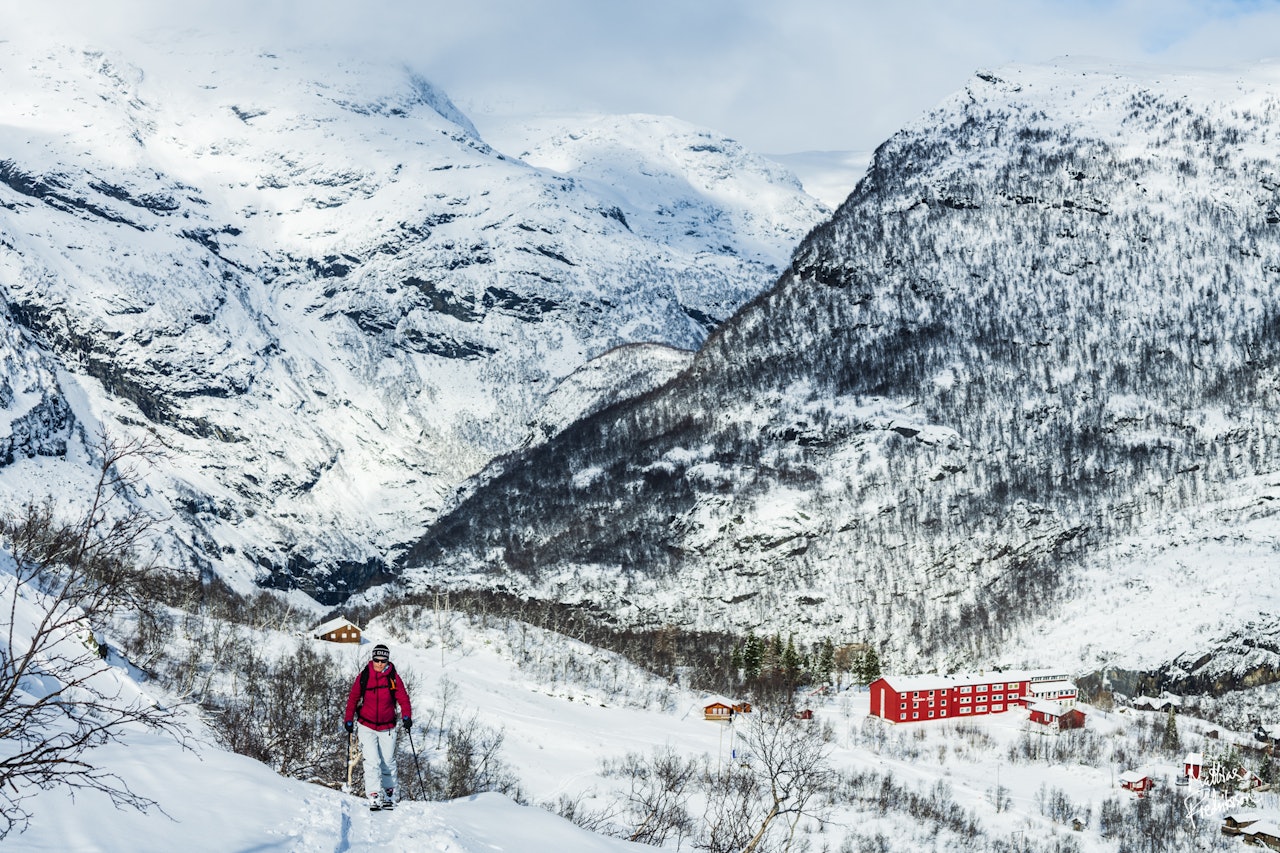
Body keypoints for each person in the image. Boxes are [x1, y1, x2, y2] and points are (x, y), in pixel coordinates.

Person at [343, 643, 412, 810]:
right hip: (366, 725)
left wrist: (407, 716)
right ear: (372, 659)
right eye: (377, 660)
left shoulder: (393, 677)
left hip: (388, 727)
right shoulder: (364, 676)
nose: (380, 663)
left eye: (383, 660)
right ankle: (373, 795)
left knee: (388, 762)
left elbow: (403, 698)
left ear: (388, 660)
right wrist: (348, 719)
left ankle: (389, 794)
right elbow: (353, 698)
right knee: (372, 761)